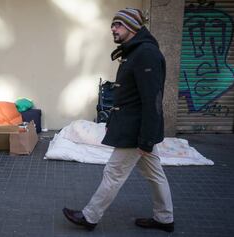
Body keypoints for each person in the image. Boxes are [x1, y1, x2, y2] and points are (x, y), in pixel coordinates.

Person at [62, 8, 174, 233]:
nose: (113, 29)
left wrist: (146, 139)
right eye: (113, 25)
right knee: (154, 173)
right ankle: (164, 218)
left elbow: (152, 100)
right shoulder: (135, 51)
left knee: (113, 173)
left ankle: (90, 216)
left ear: (132, 26)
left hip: (136, 130)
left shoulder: (146, 54)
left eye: (118, 25)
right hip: (134, 126)